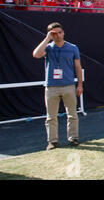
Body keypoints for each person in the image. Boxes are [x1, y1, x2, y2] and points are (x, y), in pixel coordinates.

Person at [32, 22, 83, 150]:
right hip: (51, 87)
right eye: (54, 33)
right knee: (51, 116)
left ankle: (73, 138)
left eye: (60, 32)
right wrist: (47, 38)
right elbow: (36, 54)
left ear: (63, 32)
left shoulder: (72, 48)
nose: (58, 35)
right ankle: (52, 141)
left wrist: (80, 84)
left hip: (69, 86)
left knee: (72, 114)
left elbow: (78, 66)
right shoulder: (48, 48)